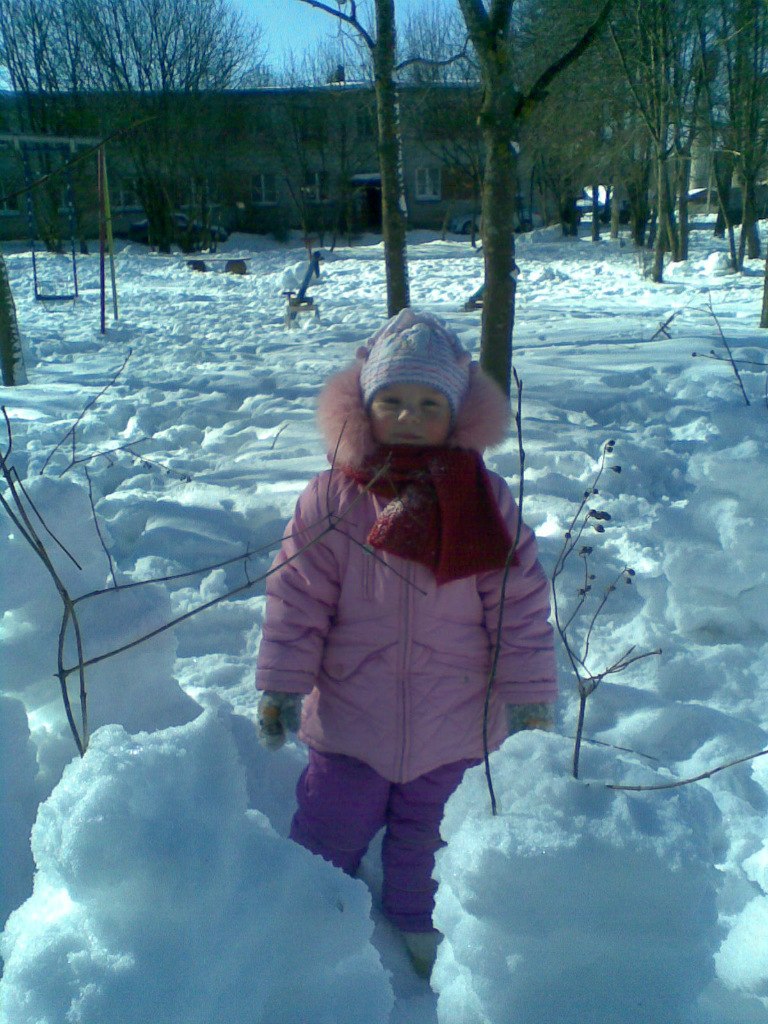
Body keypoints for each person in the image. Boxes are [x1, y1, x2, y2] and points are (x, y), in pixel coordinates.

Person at [255, 309, 557, 977]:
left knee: (432, 839)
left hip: (455, 723)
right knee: (327, 827)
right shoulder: (332, 500)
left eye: (428, 404)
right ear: (364, 407)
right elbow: (297, 601)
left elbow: (519, 606)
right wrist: (280, 684)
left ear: (457, 415)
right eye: (391, 401)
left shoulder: (485, 500)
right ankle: (310, 918)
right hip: (350, 720)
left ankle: (421, 925)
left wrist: (529, 699)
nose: (409, 417)